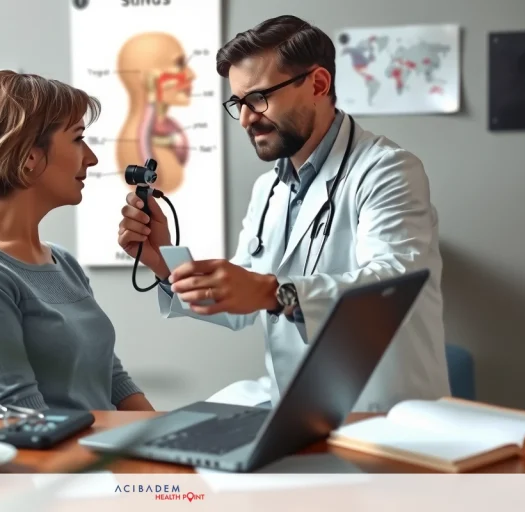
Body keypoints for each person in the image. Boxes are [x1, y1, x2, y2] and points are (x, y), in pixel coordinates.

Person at [117, 15, 449, 413]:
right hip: (298, 410)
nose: (245, 118)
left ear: (318, 84)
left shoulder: (388, 170)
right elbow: (240, 299)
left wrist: (273, 292)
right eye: (237, 103)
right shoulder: (269, 188)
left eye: (258, 98)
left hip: (380, 411)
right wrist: (164, 264)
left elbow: (394, 284)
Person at [0, 70, 153, 412]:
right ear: (30, 157)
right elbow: (25, 423)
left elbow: (111, 378)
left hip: (104, 451)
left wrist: (163, 438)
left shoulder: (61, 262)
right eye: (78, 139)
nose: (90, 158)